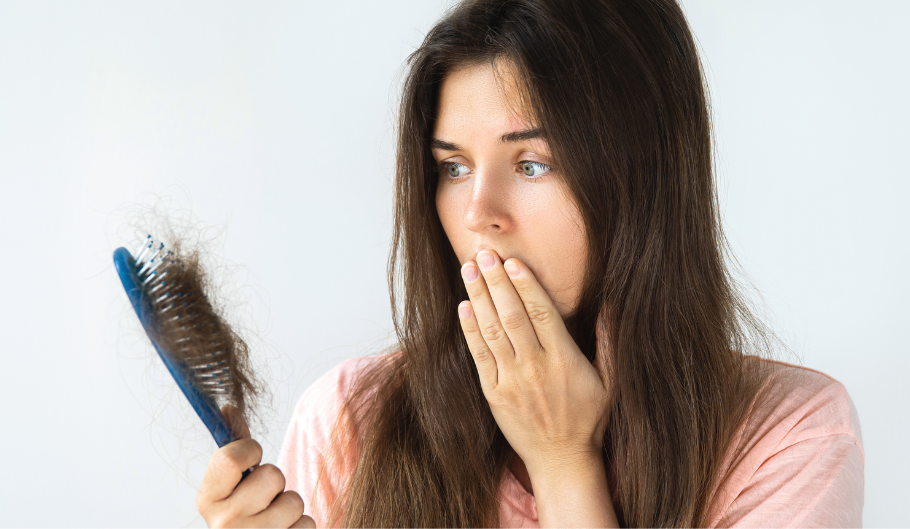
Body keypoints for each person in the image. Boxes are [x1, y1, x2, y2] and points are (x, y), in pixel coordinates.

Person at [196, 0, 864, 526]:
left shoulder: (790, 436)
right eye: (454, 167)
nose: (477, 212)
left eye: (532, 164)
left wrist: (564, 463)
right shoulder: (348, 420)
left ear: (644, 181)